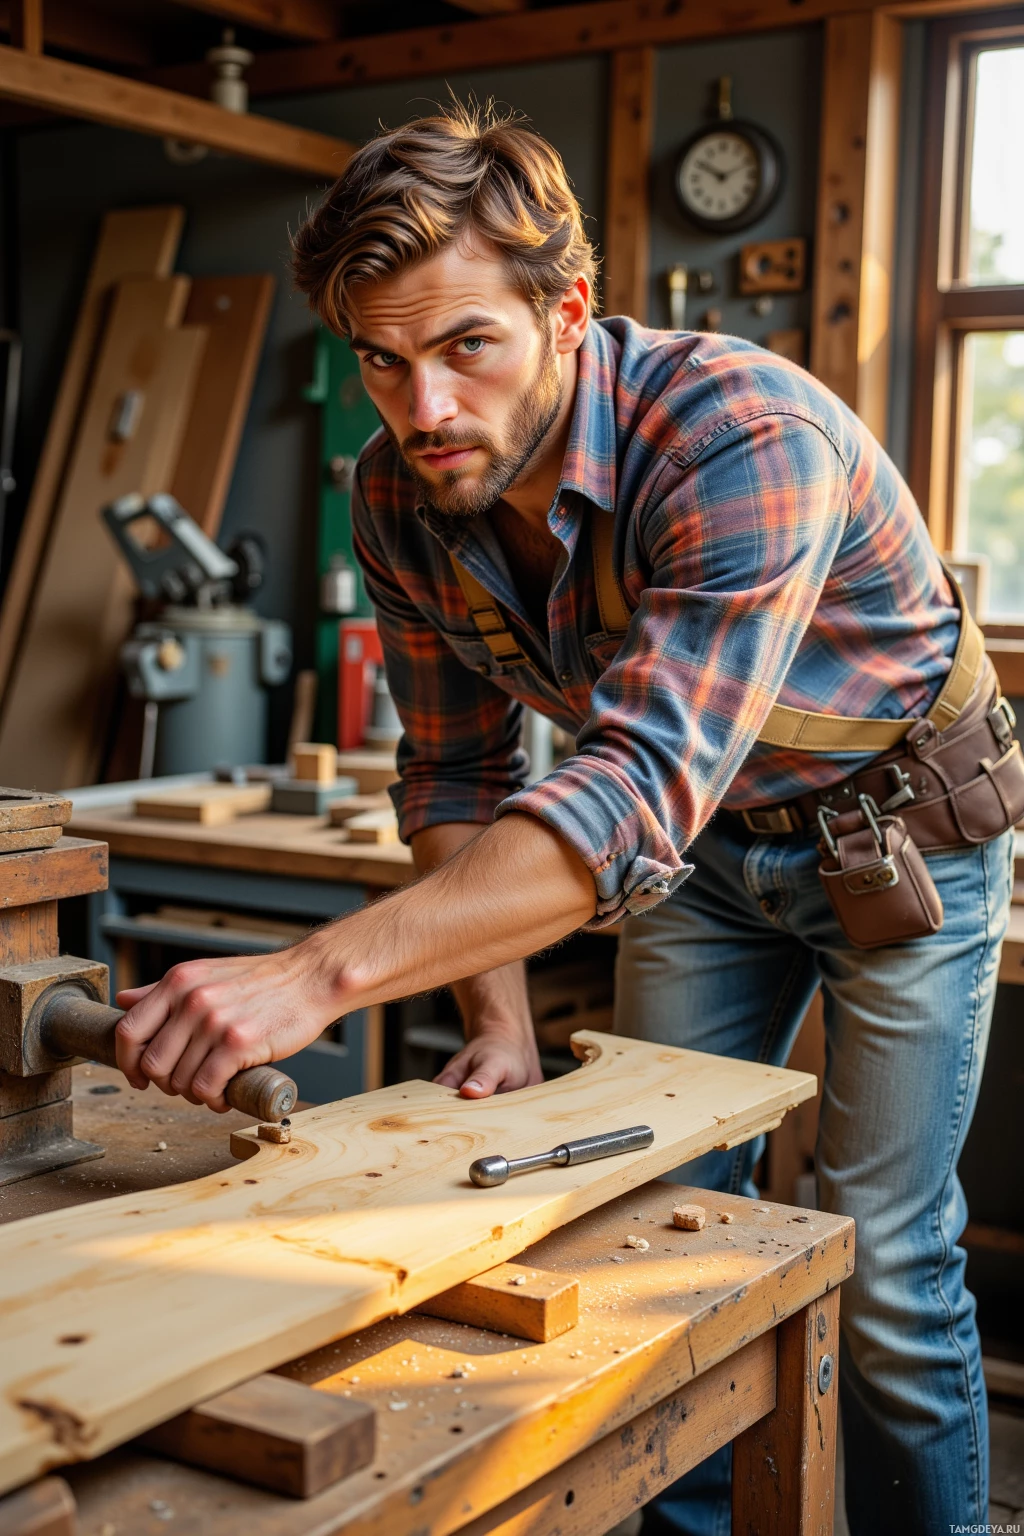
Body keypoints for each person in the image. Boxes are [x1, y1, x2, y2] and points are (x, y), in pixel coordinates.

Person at [114, 102, 1021, 1534]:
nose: (423, 411)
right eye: (383, 362)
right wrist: (498, 1016)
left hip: (899, 837)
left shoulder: (743, 435)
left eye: (466, 346)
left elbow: (630, 790)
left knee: (886, 1256)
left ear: (566, 311)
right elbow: (460, 780)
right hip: (707, 854)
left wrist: (312, 975)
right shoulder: (399, 496)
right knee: (647, 1226)